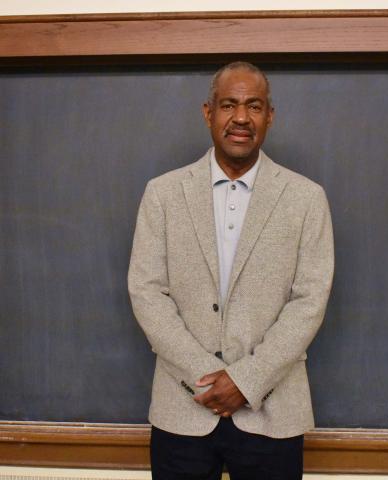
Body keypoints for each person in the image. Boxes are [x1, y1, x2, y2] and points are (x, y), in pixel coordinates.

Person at [128, 61, 334, 480]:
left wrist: (245, 380)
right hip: (182, 411)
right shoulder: (163, 194)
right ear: (209, 113)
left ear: (269, 116)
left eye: (254, 106)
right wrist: (205, 378)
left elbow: (309, 302)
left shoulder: (306, 198)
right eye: (229, 105)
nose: (241, 117)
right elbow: (147, 292)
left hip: (272, 413)